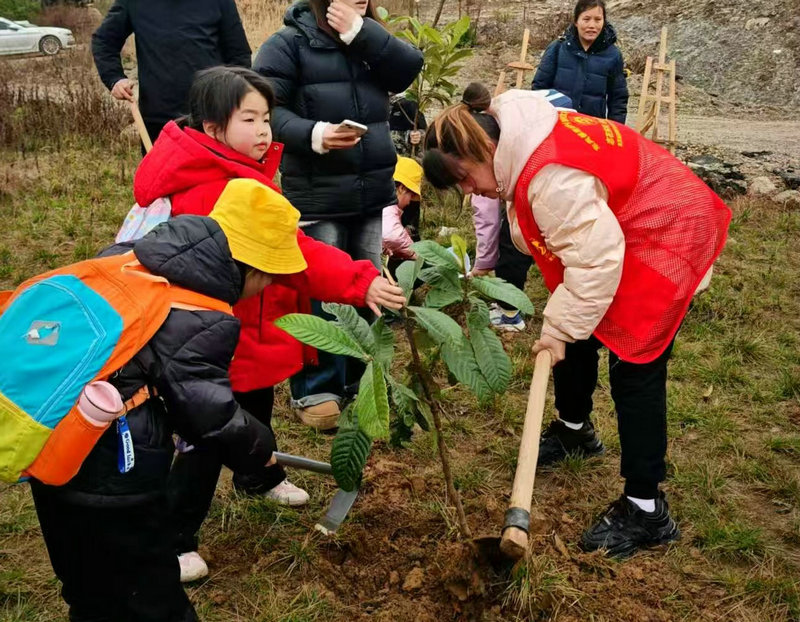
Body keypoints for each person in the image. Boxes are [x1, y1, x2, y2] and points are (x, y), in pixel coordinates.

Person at [422, 85, 731, 558]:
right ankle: (573, 430)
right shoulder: (515, 138)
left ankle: (646, 508)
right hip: (616, 230)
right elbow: (576, 253)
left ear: (484, 148)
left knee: (635, 363)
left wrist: (560, 327)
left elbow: (594, 263)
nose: (469, 192)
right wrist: (564, 325)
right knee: (575, 325)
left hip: (662, 230)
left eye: (465, 178)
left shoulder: (551, 176)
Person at [133, 66, 405, 581]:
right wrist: (357, 279)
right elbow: (294, 252)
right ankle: (174, 537)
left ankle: (258, 476)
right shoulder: (210, 188)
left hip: (249, 332)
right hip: (210, 339)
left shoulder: (236, 168)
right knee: (206, 437)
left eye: (266, 117)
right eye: (250, 119)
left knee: (255, 404)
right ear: (213, 127)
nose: (264, 130)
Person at [29, 182, 309, 622]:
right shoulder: (203, 316)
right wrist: (259, 450)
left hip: (46, 438)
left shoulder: (131, 254)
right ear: (255, 270)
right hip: (115, 471)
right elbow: (210, 416)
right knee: (151, 596)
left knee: (85, 583)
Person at [253, 0, 423, 430]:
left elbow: (407, 68)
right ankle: (317, 387)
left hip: (370, 189)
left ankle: (357, 379)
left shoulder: (368, 38)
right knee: (322, 293)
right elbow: (268, 112)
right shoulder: (287, 44)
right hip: (317, 192)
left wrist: (361, 33)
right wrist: (316, 133)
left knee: (365, 285)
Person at [470, 88, 573, 333]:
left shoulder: (491, 150)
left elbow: (486, 217)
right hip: (562, 163)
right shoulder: (503, 113)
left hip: (544, 172)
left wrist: (484, 262)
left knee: (513, 245)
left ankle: (510, 313)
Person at [91, 0, 251, 147]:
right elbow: (104, 40)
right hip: (159, 121)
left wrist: (234, 103)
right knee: (162, 178)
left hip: (212, 117)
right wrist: (115, 78)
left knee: (215, 178)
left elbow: (239, 55)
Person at [533, 0, 628, 124]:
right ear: (576, 22)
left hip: (592, 126)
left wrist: (615, 130)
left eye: (598, 20)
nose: (592, 25)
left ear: (604, 22)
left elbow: (618, 99)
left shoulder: (613, 55)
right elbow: (539, 89)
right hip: (558, 124)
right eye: (586, 19)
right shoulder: (558, 48)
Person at [382, 156, 423, 261]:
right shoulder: (388, 203)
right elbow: (392, 235)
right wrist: (416, 255)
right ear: (402, 188)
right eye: (411, 196)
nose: (410, 202)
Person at [390, 93, 427, 157]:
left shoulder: (407, 104)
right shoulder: (371, 103)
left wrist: (417, 136)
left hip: (404, 159)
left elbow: (424, 132)